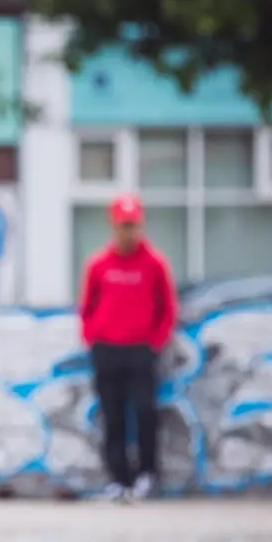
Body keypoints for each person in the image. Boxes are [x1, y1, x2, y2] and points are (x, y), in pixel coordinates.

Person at [79, 192, 177, 501]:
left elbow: (168, 308)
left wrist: (155, 342)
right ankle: (119, 480)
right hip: (107, 350)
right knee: (112, 416)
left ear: (141, 225)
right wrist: (92, 336)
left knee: (145, 413)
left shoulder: (154, 264)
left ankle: (147, 475)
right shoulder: (99, 264)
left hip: (141, 351)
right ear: (113, 225)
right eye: (123, 225)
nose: (128, 231)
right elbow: (87, 306)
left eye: (133, 225)